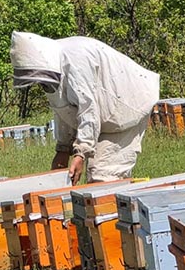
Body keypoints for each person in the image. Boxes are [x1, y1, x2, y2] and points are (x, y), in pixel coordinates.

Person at [9, 31, 160, 185]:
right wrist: (63, 149)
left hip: (127, 106)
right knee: (96, 188)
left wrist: (80, 154)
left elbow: (88, 110)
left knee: (103, 178)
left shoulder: (77, 60)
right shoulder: (51, 73)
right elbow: (65, 111)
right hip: (103, 113)